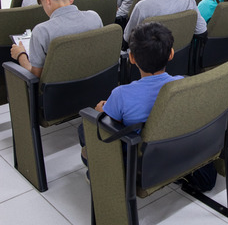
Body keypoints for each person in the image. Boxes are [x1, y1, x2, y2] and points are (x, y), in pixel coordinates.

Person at [80, 22, 217, 191]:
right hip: (175, 146)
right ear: (171, 54)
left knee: (84, 128)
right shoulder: (182, 84)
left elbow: (108, 124)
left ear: (131, 58)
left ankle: (101, 172)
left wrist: (100, 111)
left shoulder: (121, 93)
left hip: (143, 159)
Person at [10, 0, 103, 77]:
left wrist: (21, 55)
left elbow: (36, 74)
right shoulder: (94, 17)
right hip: (95, 83)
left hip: (60, 91)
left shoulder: (42, 31)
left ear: (47, 1)